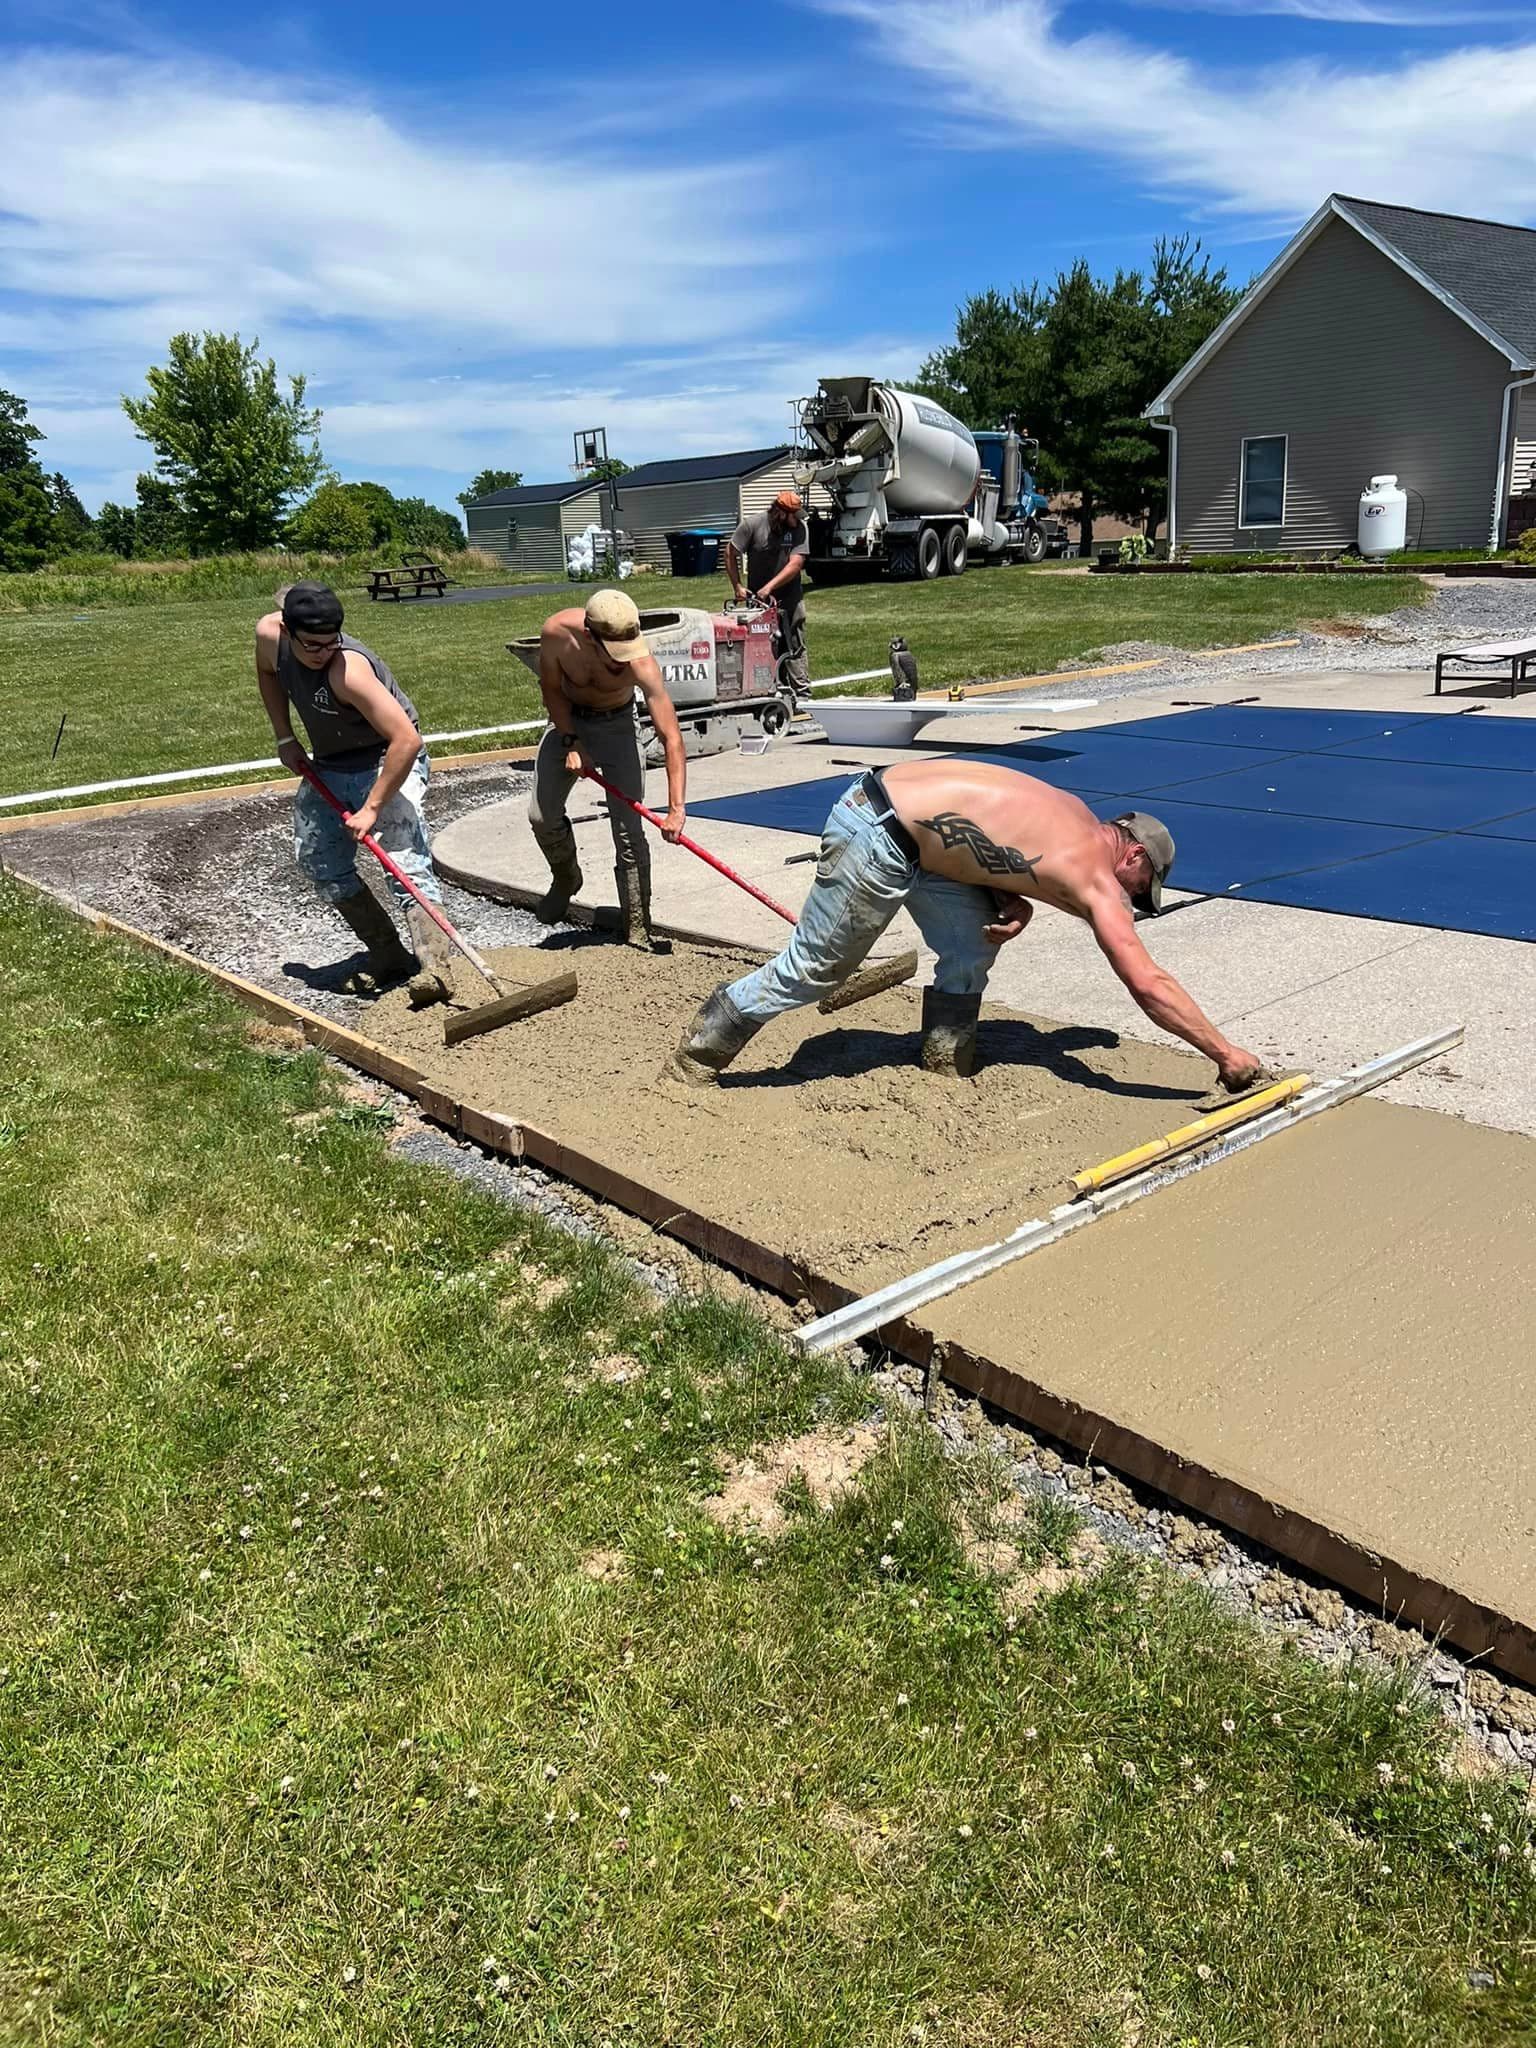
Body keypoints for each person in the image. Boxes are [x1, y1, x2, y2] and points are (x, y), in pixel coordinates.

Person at [667, 757, 1264, 1090]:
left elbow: (994, 844)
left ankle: (944, 1055)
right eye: (1142, 889)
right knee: (816, 970)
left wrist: (1014, 899)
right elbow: (1146, 983)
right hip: (876, 831)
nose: (1133, 902)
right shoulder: (1097, 877)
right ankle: (698, 1054)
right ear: (1134, 857)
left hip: (913, 833)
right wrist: (1225, 1053)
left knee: (972, 943)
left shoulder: (1080, 819)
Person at [256, 582, 454, 1003]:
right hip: (331, 762)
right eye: (312, 645)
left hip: (387, 758)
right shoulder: (270, 638)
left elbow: (406, 741)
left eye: (332, 642)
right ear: (287, 631)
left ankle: (435, 968)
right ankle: (388, 955)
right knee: (319, 860)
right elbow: (268, 673)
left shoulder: (349, 671)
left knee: (404, 862)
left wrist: (372, 807)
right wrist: (283, 737)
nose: (322, 652)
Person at [529, 587, 687, 950]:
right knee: (541, 815)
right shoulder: (556, 634)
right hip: (568, 720)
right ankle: (566, 878)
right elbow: (551, 689)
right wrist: (570, 740)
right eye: (614, 652)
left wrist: (677, 809)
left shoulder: (642, 663)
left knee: (628, 829)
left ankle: (636, 924)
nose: (622, 661)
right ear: (588, 634)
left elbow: (672, 738)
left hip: (618, 725)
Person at [726, 489, 809, 697]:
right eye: (793, 515)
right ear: (780, 513)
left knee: (795, 642)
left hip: (790, 595)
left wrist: (770, 587)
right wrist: (737, 586)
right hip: (759, 602)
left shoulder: (800, 529)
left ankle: (802, 693)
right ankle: (768, 690)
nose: (797, 520)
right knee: (762, 644)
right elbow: (730, 552)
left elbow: (796, 564)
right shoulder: (752, 525)